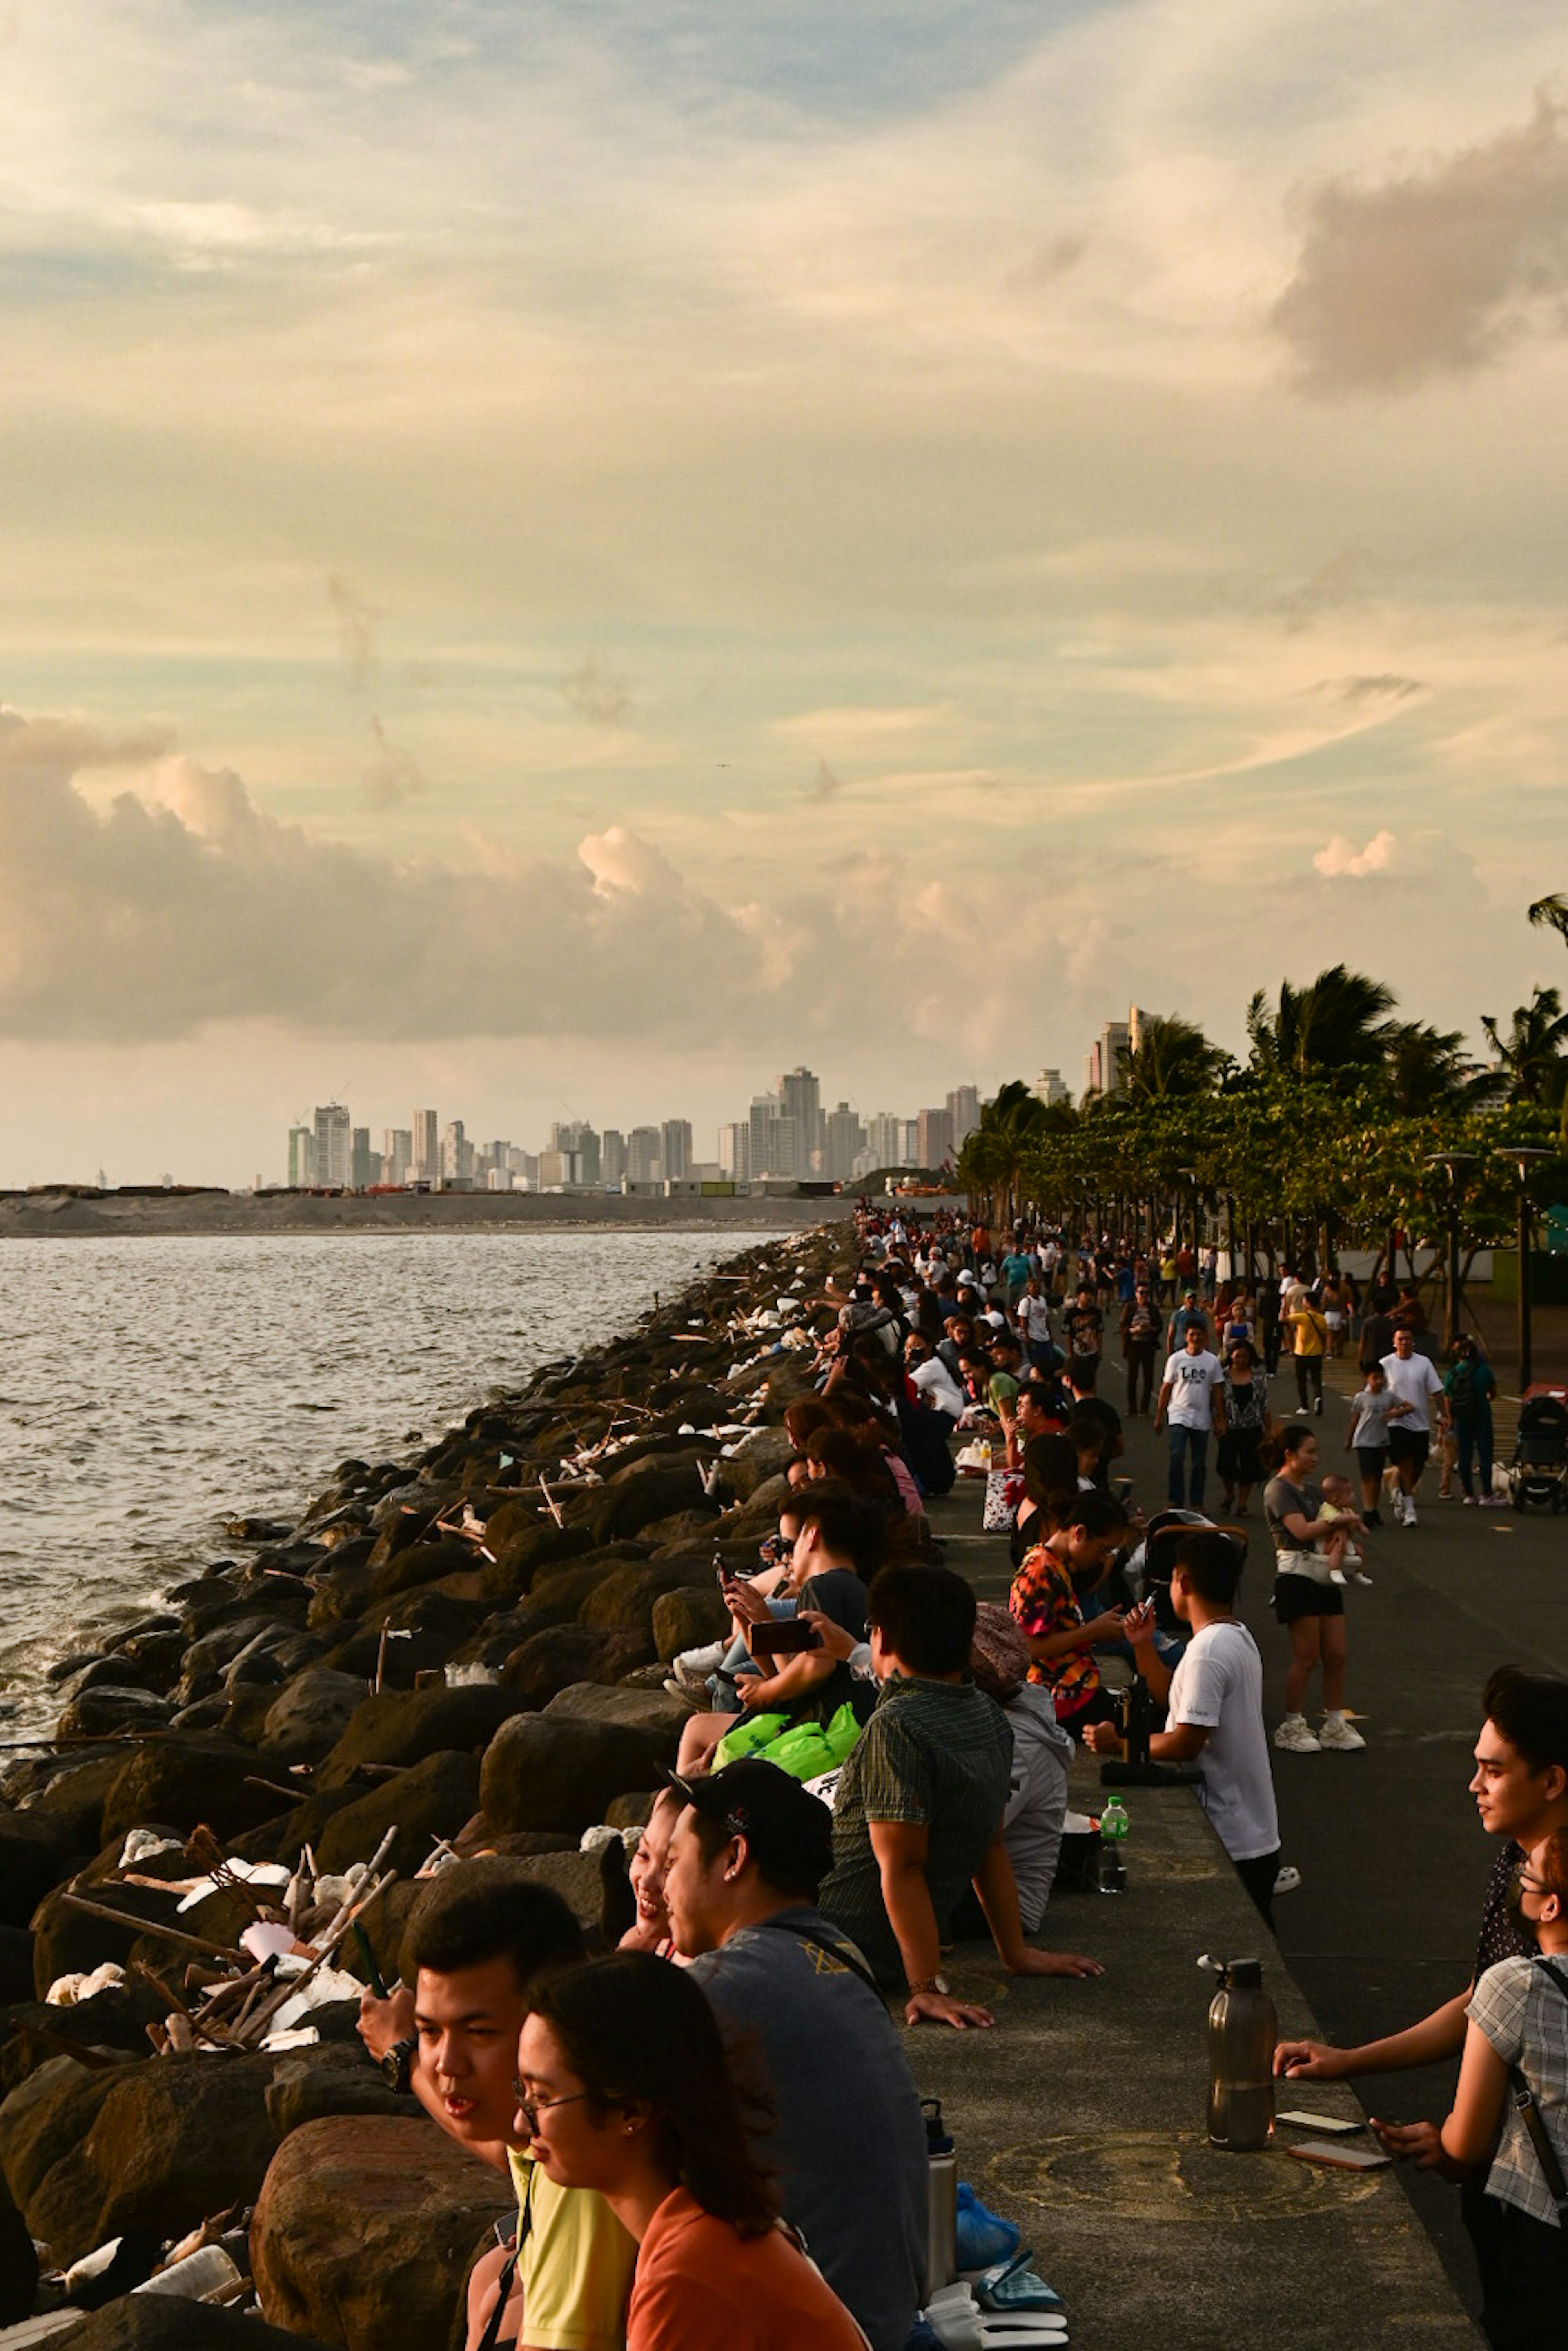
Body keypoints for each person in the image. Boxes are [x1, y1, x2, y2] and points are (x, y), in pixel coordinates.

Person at [1276, 1672, 1568, 2333]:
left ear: (1552, 1780)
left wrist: (1459, 2142)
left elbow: (1494, 2001)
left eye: (1494, 1771)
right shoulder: (1516, 1862)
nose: (1475, 1785)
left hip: (1533, 2211)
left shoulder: (1541, 1886)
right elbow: (1482, 2000)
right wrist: (1350, 2059)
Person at [661, 1761, 927, 2351]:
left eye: (673, 1861)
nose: (659, 1885)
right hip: (881, 2320)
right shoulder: (837, 1951)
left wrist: (407, 2057)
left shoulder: (723, 1983)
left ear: (733, 1858)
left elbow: (574, 2129)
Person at [516, 1952, 866, 2351]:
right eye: (522, 2093)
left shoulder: (686, 2274)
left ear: (631, 2110)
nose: (521, 2122)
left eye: (541, 2098)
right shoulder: (701, 2230)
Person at [356, 1863, 634, 2351]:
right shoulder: (554, 2120)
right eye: (429, 2032)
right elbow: (496, 2142)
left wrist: (403, 2058)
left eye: (479, 2032)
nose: (446, 2063)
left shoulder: (582, 2169)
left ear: (550, 2019)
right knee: (491, 2276)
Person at [817, 1560, 1102, 2020]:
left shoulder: (897, 1726)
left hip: (834, 1938)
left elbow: (905, 1865)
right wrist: (1016, 1953)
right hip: (883, 1949)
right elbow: (990, 1847)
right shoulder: (990, 1717)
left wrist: (925, 1986)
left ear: (884, 1638)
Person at [1088, 1527, 1282, 1925]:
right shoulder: (1233, 1636)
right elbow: (1176, 1701)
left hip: (1232, 1833)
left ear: (1185, 1582)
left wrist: (1120, 1742)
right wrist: (1142, 1644)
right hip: (1252, 1830)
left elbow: (1186, 1742)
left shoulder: (1208, 1652)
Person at [1430, 1829, 1568, 2348]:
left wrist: (1436, 2141)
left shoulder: (1517, 1984)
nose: (1514, 1883)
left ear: (1549, 1906)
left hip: (1542, 2237)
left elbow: (1464, 2142)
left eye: (1524, 1877)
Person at [1263, 1423, 1367, 1754]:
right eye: (1310, 1452)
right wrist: (1341, 1521)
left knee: (1336, 1655)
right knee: (1306, 1658)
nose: (1316, 1459)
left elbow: (1327, 1529)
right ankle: (1292, 1724)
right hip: (1297, 1576)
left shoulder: (1311, 1492)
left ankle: (1335, 1723)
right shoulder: (1278, 1490)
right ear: (1289, 1454)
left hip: (1322, 1573)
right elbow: (1302, 1530)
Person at [1008, 1489, 1134, 1741]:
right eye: (1104, 1550)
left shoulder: (1054, 1565)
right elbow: (1029, 1647)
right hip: (1059, 1700)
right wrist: (1093, 1630)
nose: (1103, 1559)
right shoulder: (1040, 1571)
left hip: (1068, 1693)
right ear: (1080, 1533)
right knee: (1148, 1717)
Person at [1382, 1326, 1450, 1527]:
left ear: (1414, 1342)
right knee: (1405, 1463)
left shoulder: (1423, 1363)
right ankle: (1410, 1510)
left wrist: (1443, 1414)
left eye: (1409, 1339)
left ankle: (1402, 1495)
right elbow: (1377, 1390)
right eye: (1401, 1339)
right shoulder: (1386, 1364)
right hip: (1396, 1423)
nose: (1405, 1343)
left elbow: (1437, 1391)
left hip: (1420, 1424)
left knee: (1419, 1464)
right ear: (1395, 1342)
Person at [1154, 1321, 1227, 1509]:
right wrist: (1159, 1416)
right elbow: (1166, 1388)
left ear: (1205, 1337)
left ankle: (1197, 1502)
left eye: (1199, 1335)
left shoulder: (1212, 1361)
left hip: (1202, 1417)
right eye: (1192, 1335)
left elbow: (1218, 1391)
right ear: (1186, 1337)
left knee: (1199, 1463)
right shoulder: (1176, 1360)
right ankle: (1175, 1500)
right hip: (1179, 1414)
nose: (1195, 1338)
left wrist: (1220, 1418)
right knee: (1177, 1456)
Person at [1216, 1339, 1271, 1514]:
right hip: (1229, 1427)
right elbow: (1216, 1403)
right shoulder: (1222, 1377)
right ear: (1231, 1355)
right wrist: (1218, 1422)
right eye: (1238, 1355)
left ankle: (1242, 1504)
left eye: (1245, 1356)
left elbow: (1264, 1406)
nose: (1241, 1359)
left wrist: (1269, 1431)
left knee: (1249, 1466)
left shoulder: (1258, 1378)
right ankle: (1229, 1495)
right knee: (1226, 1465)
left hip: (1252, 1427)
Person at [1448, 1334, 1502, 1508]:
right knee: (1485, 1456)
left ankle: (1469, 1494)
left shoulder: (1453, 1372)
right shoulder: (1484, 1371)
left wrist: (1450, 1418)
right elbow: (1492, 1392)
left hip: (1462, 1418)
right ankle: (1487, 1493)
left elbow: (1448, 1397)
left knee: (1465, 1456)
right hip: (1481, 1416)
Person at [1344, 1361, 1394, 1526]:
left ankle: (1373, 1508)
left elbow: (1409, 1407)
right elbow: (1355, 1419)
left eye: (1382, 1378)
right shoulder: (1361, 1398)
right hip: (1364, 1441)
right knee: (1367, 1476)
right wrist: (1349, 1439)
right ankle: (1368, 1508)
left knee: (1377, 1476)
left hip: (1381, 1441)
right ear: (1367, 1379)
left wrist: (1396, 1412)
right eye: (1375, 1378)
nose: (1379, 1381)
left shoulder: (1389, 1397)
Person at [1120, 1280, 1163, 1418]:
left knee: (1148, 1377)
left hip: (1148, 1345)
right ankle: (1132, 1408)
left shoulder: (1153, 1308)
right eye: (1141, 1293)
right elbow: (1123, 1326)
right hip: (1134, 1345)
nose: (1144, 1296)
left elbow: (1159, 1327)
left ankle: (1145, 1408)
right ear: (1136, 1294)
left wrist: (1150, 1329)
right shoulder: (1130, 1307)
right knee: (1133, 1376)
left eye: (1147, 1293)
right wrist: (1134, 1330)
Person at [1285, 1290, 1329, 1417]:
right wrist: (1324, 1350)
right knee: (1317, 1380)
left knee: (1302, 1381)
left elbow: (1283, 1319)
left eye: (1304, 1301)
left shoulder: (1301, 1317)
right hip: (1317, 1353)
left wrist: (1285, 1306)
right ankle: (1318, 1398)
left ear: (1309, 1303)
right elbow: (1325, 1336)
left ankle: (1304, 1406)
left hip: (1302, 1353)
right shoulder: (1322, 1318)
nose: (1303, 1303)